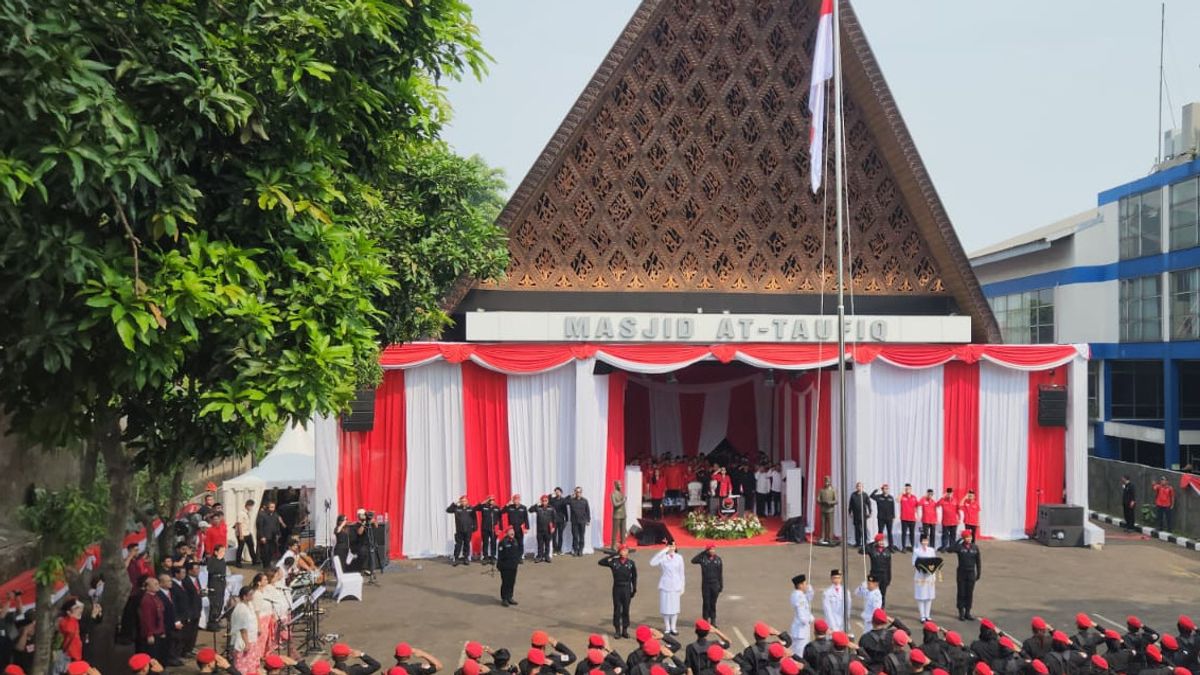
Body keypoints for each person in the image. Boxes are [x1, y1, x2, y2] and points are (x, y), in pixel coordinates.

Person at [599, 546, 638, 639]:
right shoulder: (614, 562)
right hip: (617, 588)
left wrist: (634, 589)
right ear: (620, 551)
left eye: (626, 550)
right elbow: (601, 562)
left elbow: (634, 577)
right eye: (623, 550)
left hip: (627, 588)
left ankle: (625, 630)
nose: (625, 551)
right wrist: (613, 555)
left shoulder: (631, 563)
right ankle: (617, 630)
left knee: (626, 609)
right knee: (617, 609)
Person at [650, 544, 685, 636]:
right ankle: (667, 627)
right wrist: (663, 551)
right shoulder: (663, 557)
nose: (672, 548)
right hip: (665, 585)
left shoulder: (679, 557)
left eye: (673, 546)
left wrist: (682, 586)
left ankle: (673, 627)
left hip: (676, 585)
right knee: (665, 607)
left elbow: (682, 573)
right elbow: (652, 563)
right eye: (670, 546)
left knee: (675, 608)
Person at [948, 531, 981, 621]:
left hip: (971, 573)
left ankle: (968, 612)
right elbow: (949, 549)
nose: (969, 539)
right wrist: (958, 541)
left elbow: (978, 561)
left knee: (969, 593)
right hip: (961, 573)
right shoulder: (960, 547)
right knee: (961, 593)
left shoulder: (975, 547)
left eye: (970, 537)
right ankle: (961, 612)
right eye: (967, 537)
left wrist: (978, 573)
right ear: (963, 538)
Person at [690, 545, 724, 626]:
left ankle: (713, 620)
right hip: (706, 585)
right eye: (711, 549)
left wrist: (721, 585)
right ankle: (705, 621)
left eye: (713, 549)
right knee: (706, 603)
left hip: (715, 584)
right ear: (707, 550)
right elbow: (693, 560)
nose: (713, 551)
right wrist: (703, 553)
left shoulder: (718, 560)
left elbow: (720, 573)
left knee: (713, 603)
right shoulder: (703, 559)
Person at [137, 576, 167, 664]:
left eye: (158, 584)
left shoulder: (156, 597)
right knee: (151, 655)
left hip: (158, 631)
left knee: (158, 654)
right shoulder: (146, 599)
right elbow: (146, 618)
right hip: (152, 633)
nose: (158, 586)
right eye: (155, 584)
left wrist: (162, 631)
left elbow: (161, 615)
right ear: (148, 587)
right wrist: (149, 634)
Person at [230, 586, 259, 674]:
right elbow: (243, 629)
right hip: (244, 640)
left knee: (250, 663)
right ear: (244, 596)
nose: (252, 596)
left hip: (252, 638)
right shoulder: (241, 609)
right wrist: (246, 643)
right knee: (242, 664)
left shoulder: (249, 605)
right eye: (250, 595)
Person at [912, 535, 939, 623]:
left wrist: (931, 570)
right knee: (921, 596)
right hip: (920, 575)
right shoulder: (916, 551)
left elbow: (934, 561)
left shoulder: (931, 550)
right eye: (923, 541)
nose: (925, 542)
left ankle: (928, 615)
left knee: (929, 596)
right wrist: (922, 568)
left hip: (930, 576)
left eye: (926, 541)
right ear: (920, 541)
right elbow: (914, 563)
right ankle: (922, 616)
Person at [180, 563, 204, 656]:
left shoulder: (196, 579)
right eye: (196, 569)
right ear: (189, 571)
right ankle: (185, 650)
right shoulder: (186, 581)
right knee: (188, 631)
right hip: (189, 611)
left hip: (196, 609)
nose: (198, 570)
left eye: (198, 568)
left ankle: (191, 647)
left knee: (194, 631)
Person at [447, 495, 478, 566]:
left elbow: (474, 519)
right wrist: (455, 503)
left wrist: (475, 527)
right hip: (459, 530)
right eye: (462, 501)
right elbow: (448, 510)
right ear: (460, 502)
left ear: (467, 501)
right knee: (458, 544)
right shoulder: (457, 508)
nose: (464, 502)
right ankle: (456, 558)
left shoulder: (471, 508)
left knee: (467, 544)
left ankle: (466, 558)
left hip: (468, 530)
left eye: (465, 501)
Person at [56, 596, 84, 671]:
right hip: (69, 656)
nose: (79, 610)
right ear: (68, 612)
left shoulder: (74, 620)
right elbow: (70, 632)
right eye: (76, 608)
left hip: (75, 655)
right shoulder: (67, 621)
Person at [205, 543, 228, 631]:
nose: (223, 553)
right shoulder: (212, 560)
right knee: (215, 603)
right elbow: (210, 570)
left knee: (220, 602)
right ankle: (212, 622)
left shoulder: (223, 561)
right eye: (221, 551)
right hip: (214, 583)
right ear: (216, 552)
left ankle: (217, 619)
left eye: (224, 551)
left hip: (221, 582)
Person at [790, 575, 815, 657]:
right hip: (801, 631)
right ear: (800, 585)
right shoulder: (799, 596)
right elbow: (802, 616)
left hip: (800, 631)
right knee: (800, 655)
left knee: (797, 653)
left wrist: (810, 590)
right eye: (805, 584)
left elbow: (809, 599)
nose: (806, 586)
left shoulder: (797, 594)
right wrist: (810, 618)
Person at [497, 526, 521, 607]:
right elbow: (500, 556)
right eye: (510, 531)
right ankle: (504, 599)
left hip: (513, 566)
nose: (512, 533)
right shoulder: (503, 542)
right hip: (505, 566)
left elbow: (517, 552)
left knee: (512, 582)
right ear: (507, 533)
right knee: (505, 583)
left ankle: (510, 597)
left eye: (513, 531)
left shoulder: (515, 541)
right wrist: (499, 566)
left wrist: (517, 562)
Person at [866, 533, 894, 605]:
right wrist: (872, 543)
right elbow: (861, 550)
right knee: (873, 592)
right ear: (876, 542)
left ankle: (881, 607)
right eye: (879, 541)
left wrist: (889, 578)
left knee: (882, 593)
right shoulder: (872, 550)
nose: (881, 542)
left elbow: (889, 566)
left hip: (884, 575)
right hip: (874, 574)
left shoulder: (887, 551)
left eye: (882, 541)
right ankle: (872, 607)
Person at [475, 497, 504, 564]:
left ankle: (493, 557)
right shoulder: (484, 507)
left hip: (494, 529)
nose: (492, 501)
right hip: (485, 528)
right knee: (485, 543)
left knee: (493, 543)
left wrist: (500, 529)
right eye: (490, 500)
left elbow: (500, 519)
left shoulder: (497, 508)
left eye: (493, 500)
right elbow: (476, 508)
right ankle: (485, 557)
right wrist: (484, 501)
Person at [257, 501, 285, 565]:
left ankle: (269, 562)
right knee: (265, 551)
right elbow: (260, 526)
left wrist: (278, 534)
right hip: (265, 536)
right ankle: (265, 564)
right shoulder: (262, 515)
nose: (272, 509)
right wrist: (262, 536)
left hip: (273, 536)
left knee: (271, 551)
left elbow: (277, 525)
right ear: (268, 507)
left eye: (273, 507)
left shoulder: (275, 515)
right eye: (271, 507)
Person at [530, 495, 557, 563]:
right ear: (541, 501)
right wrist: (537, 503)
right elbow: (530, 510)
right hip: (540, 530)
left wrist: (553, 527)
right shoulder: (538, 508)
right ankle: (539, 556)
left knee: (547, 544)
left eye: (546, 501)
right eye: (543, 501)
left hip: (548, 529)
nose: (544, 502)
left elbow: (554, 519)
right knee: (540, 544)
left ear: (548, 501)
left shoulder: (551, 508)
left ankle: (547, 556)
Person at [504, 496, 531, 561]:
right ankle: (512, 556)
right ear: (513, 500)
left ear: (519, 500)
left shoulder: (523, 508)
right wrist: (507, 504)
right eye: (515, 500)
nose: (516, 501)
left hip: (520, 528)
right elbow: (502, 511)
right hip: (511, 529)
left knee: (520, 543)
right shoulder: (510, 507)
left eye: (517, 499)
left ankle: (519, 557)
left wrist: (527, 528)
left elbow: (526, 518)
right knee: (512, 543)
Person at [871, 485, 897, 551]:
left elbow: (892, 507)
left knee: (889, 532)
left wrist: (893, 516)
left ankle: (891, 547)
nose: (886, 490)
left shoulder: (890, 497)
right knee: (880, 532)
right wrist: (876, 490)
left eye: (887, 489)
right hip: (881, 518)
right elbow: (871, 496)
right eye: (884, 489)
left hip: (889, 518)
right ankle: (879, 546)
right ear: (882, 490)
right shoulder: (879, 497)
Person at [822, 569, 848, 634]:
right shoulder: (827, 593)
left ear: (841, 578)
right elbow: (827, 610)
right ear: (831, 578)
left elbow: (847, 609)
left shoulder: (846, 592)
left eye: (838, 578)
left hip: (843, 624)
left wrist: (844, 623)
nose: (837, 580)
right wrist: (833, 626)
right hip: (831, 625)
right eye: (834, 578)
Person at [567, 487, 591, 557]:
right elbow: (564, 502)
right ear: (575, 492)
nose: (578, 493)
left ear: (581, 493)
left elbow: (587, 511)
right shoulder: (571, 500)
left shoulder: (585, 501)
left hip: (582, 521)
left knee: (581, 537)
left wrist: (588, 520)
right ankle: (575, 550)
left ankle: (580, 550)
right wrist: (570, 496)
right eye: (577, 492)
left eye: (579, 492)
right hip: (574, 521)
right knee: (575, 537)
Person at [848, 483, 871, 551]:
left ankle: (864, 543)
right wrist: (850, 512)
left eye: (860, 486)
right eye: (858, 486)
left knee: (863, 529)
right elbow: (850, 504)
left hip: (863, 515)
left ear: (862, 487)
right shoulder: (853, 495)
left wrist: (869, 512)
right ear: (856, 487)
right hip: (855, 515)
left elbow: (869, 503)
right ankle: (857, 542)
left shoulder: (865, 495)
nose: (859, 487)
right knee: (857, 529)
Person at [235, 500, 258, 566]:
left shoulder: (247, 513)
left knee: (251, 546)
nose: (251, 508)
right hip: (242, 533)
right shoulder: (241, 513)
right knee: (241, 548)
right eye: (251, 506)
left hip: (247, 532)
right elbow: (239, 524)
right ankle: (238, 562)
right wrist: (241, 535)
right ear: (248, 505)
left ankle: (254, 560)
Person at [817, 477, 837, 544]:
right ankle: (823, 537)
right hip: (823, 509)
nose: (827, 482)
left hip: (830, 509)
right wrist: (821, 501)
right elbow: (818, 499)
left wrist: (830, 502)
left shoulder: (833, 490)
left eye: (828, 481)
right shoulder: (821, 490)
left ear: (830, 482)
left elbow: (836, 500)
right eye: (826, 481)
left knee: (830, 525)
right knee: (823, 524)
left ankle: (830, 538)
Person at [550, 489, 570, 556]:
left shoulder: (563, 500)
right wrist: (550, 495)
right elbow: (548, 500)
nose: (557, 493)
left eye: (558, 491)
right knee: (554, 536)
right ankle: (555, 549)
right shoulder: (552, 500)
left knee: (560, 535)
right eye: (556, 492)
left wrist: (566, 519)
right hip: (554, 520)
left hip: (561, 520)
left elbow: (565, 510)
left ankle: (559, 549)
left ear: (561, 492)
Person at [899, 485, 918, 552]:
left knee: (912, 533)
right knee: (904, 533)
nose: (907, 490)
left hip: (912, 519)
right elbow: (897, 500)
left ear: (911, 489)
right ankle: (903, 547)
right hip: (904, 518)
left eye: (909, 489)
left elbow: (917, 506)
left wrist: (917, 515)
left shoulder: (914, 497)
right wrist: (901, 493)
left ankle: (912, 546)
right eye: (906, 489)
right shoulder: (902, 496)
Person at [611, 482, 627, 550]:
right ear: (616, 485)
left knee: (623, 531)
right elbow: (615, 504)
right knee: (615, 531)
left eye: (621, 485)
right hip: (617, 515)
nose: (621, 486)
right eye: (619, 485)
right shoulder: (613, 494)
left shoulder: (621, 493)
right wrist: (623, 501)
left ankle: (623, 544)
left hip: (623, 514)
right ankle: (613, 545)